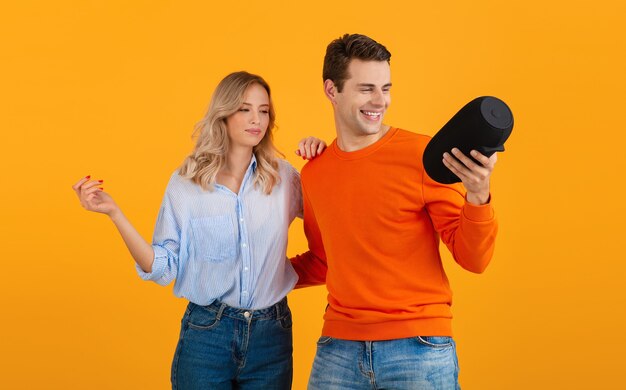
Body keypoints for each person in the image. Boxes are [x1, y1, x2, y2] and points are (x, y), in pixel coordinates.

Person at [72, 71, 325, 390]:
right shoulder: (186, 183)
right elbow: (162, 268)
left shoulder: (283, 178)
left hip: (271, 334)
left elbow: (334, 218)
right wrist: (114, 213)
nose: (256, 119)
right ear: (224, 113)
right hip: (208, 334)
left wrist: (324, 159)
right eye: (244, 109)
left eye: (263, 110)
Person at [291, 34, 499, 389]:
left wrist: (478, 196)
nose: (380, 101)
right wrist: (252, 278)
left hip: (419, 348)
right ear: (332, 90)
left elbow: (473, 258)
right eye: (366, 88)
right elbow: (326, 261)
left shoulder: (424, 156)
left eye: (385, 88)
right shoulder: (314, 172)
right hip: (338, 349)